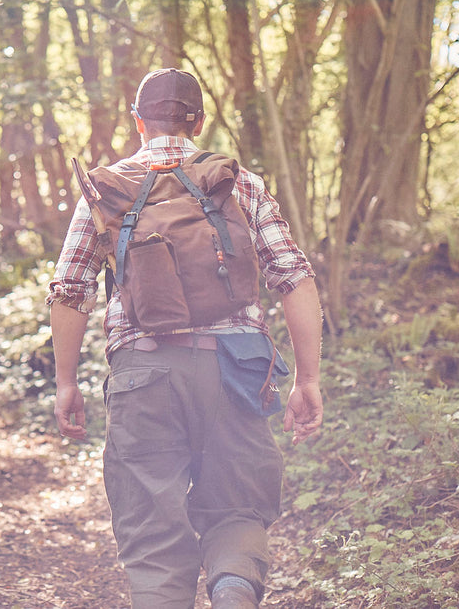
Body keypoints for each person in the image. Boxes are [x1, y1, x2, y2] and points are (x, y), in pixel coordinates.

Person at [46, 68, 323, 609]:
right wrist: (308, 379)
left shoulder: (106, 190)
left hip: (142, 375)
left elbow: (69, 291)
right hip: (236, 373)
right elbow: (293, 277)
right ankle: (234, 596)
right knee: (238, 510)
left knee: (152, 540)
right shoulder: (239, 182)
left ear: (137, 121)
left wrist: (65, 382)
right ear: (198, 120)